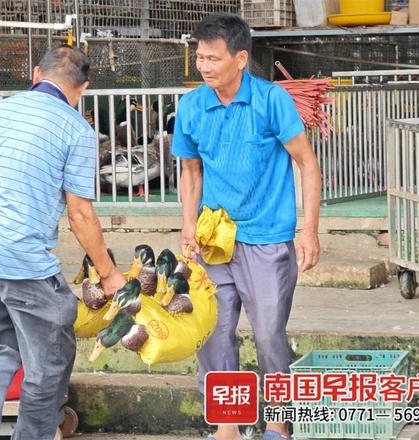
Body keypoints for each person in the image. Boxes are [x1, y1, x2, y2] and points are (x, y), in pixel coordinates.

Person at [0, 45, 125, 440]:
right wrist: (109, 273)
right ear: (83, 88)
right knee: (51, 359)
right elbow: (80, 213)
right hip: (22, 261)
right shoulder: (76, 130)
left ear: (35, 73)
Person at [172, 14, 322, 440]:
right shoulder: (191, 106)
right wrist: (187, 224)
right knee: (214, 334)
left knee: (269, 333)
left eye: (213, 58)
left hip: (268, 239)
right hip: (212, 239)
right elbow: (191, 171)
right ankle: (227, 423)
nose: (204, 66)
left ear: (240, 58)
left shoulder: (271, 100)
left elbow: (307, 164)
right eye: (199, 57)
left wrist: (308, 230)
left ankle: (277, 420)